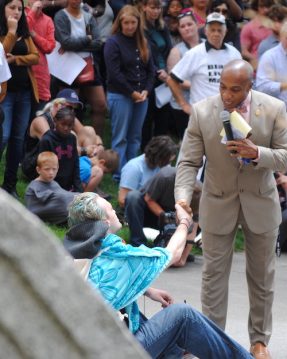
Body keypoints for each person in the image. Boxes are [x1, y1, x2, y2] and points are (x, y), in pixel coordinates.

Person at [174, 59, 287, 359]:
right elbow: (188, 161)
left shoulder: (275, 109)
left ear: (250, 86)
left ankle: (259, 342)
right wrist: (183, 197)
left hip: (260, 202)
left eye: (235, 89)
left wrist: (258, 153)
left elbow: (286, 157)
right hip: (217, 201)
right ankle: (211, 340)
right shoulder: (201, 112)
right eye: (222, 87)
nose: (226, 95)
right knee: (213, 277)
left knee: (262, 277)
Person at [64, 191, 253, 359]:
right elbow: (173, 253)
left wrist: (147, 290)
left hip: (94, 348)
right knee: (182, 314)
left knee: (149, 322)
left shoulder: (82, 252)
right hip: (117, 352)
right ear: (105, 224)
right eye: (111, 209)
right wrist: (185, 222)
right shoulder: (114, 254)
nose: (115, 211)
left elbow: (109, 288)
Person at [104, 5, 155, 182]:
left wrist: (146, 90)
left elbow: (151, 69)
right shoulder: (113, 42)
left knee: (135, 136)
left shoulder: (143, 41)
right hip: (121, 95)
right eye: (126, 23)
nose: (130, 26)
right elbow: (114, 73)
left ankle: (132, 172)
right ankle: (119, 173)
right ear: (120, 22)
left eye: (133, 22)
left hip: (141, 96)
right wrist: (132, 92)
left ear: (138, 23)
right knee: (120, 137)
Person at [0, 0, 39, 198]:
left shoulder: (24, 30)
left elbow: (35, 56)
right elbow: (0, 54)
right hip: (4, 94)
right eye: (11, 7)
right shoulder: (10, 31)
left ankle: (9, 185)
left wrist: (16, 59)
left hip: (24, 92)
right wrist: (11, 33)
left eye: (19, 9)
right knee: (3, 137)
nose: (16, 12)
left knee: (17, 140)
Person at [167, 12, 241, 116]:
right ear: (206, 31)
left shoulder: (234, 53)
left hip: (228, 113)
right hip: (202, 114)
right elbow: (171, 80)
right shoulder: (194, 53)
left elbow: (242, 81)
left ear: (225, 31)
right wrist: (184, 105)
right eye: (212, 30)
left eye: (219, 30)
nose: (216, 33)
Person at [54, 0, 106, 136]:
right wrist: (87, 39)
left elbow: (98, 43)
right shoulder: (61, 16)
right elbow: (65, 42)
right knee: (68, 108)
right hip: (69, 66)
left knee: (100, 105)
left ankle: (96, 141)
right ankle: (71, 141)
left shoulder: (88, 16)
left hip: (89, 65)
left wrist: (76, 44)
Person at [140, 0, 173, 149]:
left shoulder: (162, 26)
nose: (155, 11)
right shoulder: (140, 28)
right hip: (148, 76)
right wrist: (155, 71)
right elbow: (144, 53)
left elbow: (169, 49)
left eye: (158, 8)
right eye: (152, 7)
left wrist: (167, 70)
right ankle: (145, 149)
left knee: (163, 115)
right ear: (145, 7)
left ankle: (160, 150)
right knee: (148, 115)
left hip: (164, 76)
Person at [166, 11, 200, 138]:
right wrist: (199, 84)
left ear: (197, 25)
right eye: (183, 26)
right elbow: (174, 79)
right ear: (179, 30)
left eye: (190, 24)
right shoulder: (176, 51)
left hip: (203, 101)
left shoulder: (207, 45)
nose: (187, 28)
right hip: (183, 104)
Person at [25, 151, 78, 224]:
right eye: (47, 169)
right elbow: (33, 208)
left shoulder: (54, 183)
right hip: (53, 212)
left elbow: (64, 194)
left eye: (54, 169)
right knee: (63, 199)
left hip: (66, 211)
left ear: (58, 168)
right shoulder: (33, 188)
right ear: (38, 170)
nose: (51, 172)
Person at [38, 106, 83, 192]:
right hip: (51, 186)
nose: (66, 128)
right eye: (63, 124)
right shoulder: (47, 140)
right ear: (55, 121)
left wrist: (78, 189)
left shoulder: (72, 138)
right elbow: (44, 166)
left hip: (68, 185)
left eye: (69, 125)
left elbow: (75, 163)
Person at [25, 0, 56, 117]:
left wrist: (34, 35)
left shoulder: (48, 20)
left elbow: (49, 47)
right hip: (24, 76)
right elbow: (23, 30)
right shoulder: (20, 14)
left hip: (41, 76)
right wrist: (32, 13)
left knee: (39, 118)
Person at [256, 21, 287, 109]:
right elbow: (261, 87)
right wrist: (284, 85)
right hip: (277, 110)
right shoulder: (269, 56)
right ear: (281, 37)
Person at [240, 0, 274, 71]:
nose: (265, 9)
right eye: (261, 6)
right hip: (258, 69)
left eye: (268, 6)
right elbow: (244, 51)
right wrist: (257, 59)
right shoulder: (249, 27)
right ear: (256, 7)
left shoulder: (276, 25)